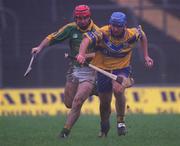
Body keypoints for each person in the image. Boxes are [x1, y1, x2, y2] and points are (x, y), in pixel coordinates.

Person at [77, 12, 154, 137]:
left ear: (125, 26)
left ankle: (120, 122)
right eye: (113, 26)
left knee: (118, 90)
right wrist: (81, 54)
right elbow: (86, 40)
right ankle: (104, 126)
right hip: (103, 69)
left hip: (122, 68)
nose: (115, 29)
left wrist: (146, 56)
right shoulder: (102, 33)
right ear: (110, 24)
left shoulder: (132, 34)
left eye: (119, 26)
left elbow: (143, 36)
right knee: (105, 103)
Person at [31, 5, 99, 138]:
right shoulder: (70, 28)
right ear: (75, 18)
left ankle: (64, 133)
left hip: (90, 71)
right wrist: (39, 47)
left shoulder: (97, 31)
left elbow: (101, 53)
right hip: (74, 69)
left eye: (85, 18)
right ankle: (92, 90)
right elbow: (52, 37)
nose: (82, 21)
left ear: (89, 17)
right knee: (69, 103)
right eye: (79, 18)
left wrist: (85, 56)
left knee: (77, 101)